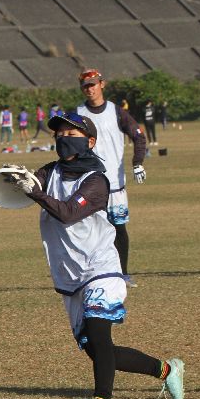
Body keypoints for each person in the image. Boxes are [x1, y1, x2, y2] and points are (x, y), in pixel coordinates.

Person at [8, 111, 183, 399]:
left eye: (71, 134)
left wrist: (35, 192)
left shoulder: (96, 181)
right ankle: (167, 370)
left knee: (99, 332)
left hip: (99, 265)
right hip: (69, 274)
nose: (63, 138)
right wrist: (14, 179)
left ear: (90, 142)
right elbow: (29, 185)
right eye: (60, 133)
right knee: (99, 351)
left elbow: (68, 212)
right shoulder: (51, 171)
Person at [75, 68, 147, 286]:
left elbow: (138, 136)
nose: (90, 89)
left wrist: (137, 163)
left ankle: (122, 274)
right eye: (86, 86)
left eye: (93, 85)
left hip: (115, 184)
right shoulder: (78, 113)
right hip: (88, 182)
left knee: (118, 228)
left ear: (102, 84)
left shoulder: (116, 112)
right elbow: (67, 143)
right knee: (90, 230)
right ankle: (91, 274)